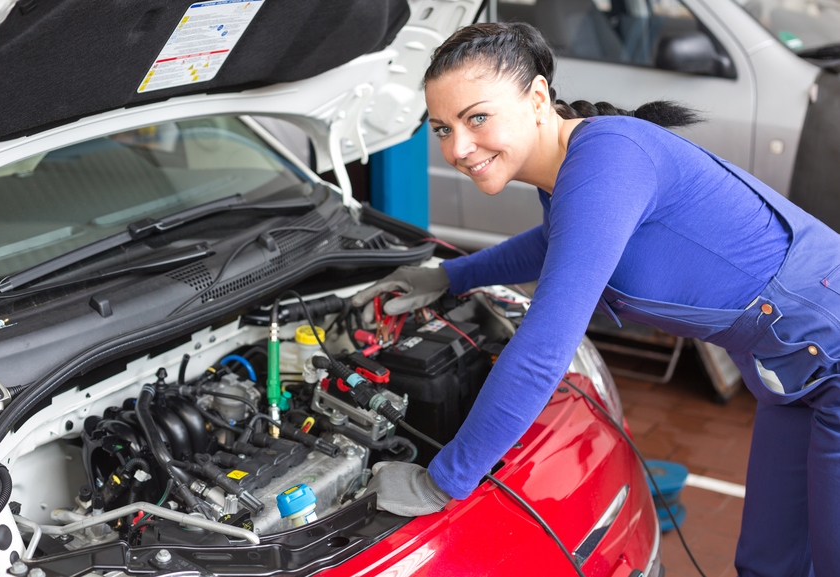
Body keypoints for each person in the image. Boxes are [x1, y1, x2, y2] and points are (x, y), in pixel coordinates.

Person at [354, 21, 840, 577]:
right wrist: (450, 276)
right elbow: (555, 243)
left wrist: (441, 481)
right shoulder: (572, 166)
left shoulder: (608, 158)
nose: (458, 148)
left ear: (538, 98)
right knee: (767, 566)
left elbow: (544, 348)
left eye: (477, 117)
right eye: (442, 128)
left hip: (830, 348)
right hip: (790, 371)